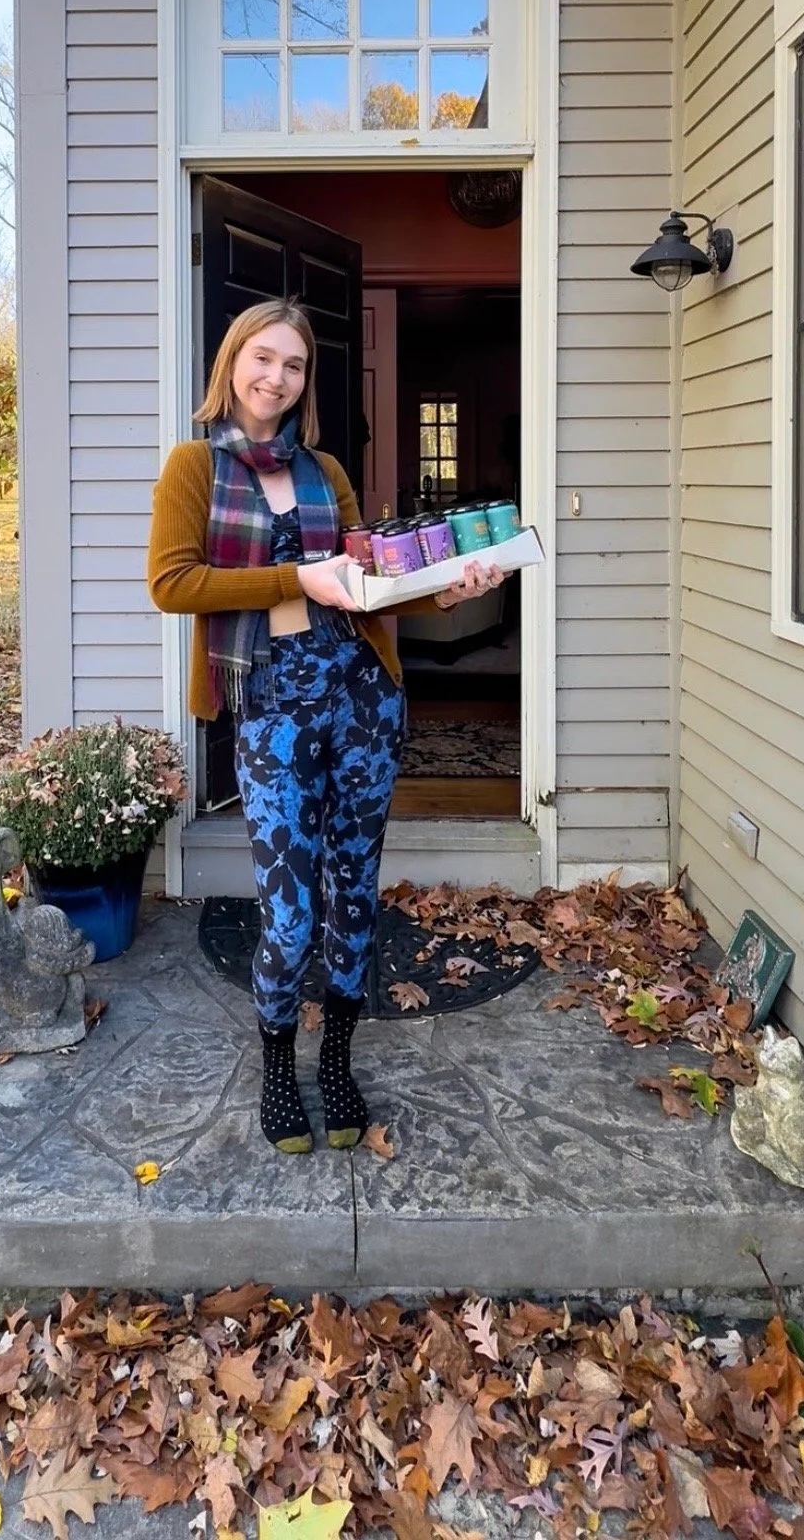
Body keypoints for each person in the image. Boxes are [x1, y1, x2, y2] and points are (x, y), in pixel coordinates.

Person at [147, 298, 502, 1155]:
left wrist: (442, 588)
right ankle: (278, 1060)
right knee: (288, 907)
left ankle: (337, 1056)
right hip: (270, 704)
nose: (275, 377)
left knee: (354, 893)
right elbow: (173, 584)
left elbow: (364, 580)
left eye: (294, 365)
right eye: (262, 358)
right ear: (232, 360)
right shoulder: (195, 466)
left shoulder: (326, 470)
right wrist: (292, 581)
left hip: (360, 698)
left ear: (307, 381)